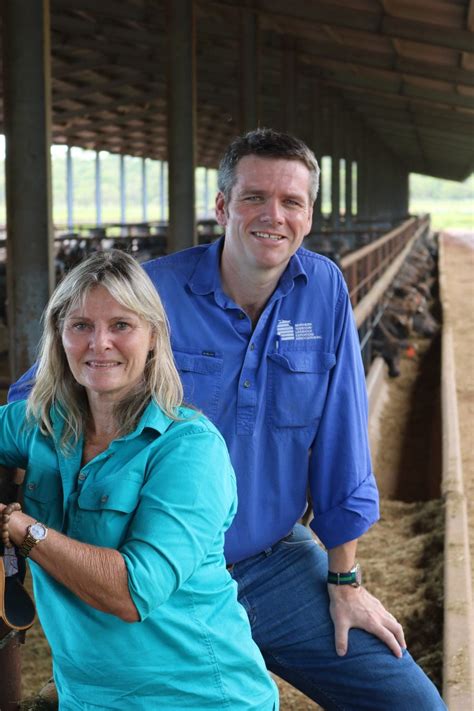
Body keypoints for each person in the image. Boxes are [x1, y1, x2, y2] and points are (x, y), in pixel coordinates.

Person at [10, 129, 446, 710]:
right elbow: (43, 394)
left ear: (309, 215)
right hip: (158, 574)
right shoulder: (151, 293)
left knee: (411, 703)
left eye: (291, 201)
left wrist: (345, 581)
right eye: (253, 198)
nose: (273, 215)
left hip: (276, 562)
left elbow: (342, 438)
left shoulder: (322, 289)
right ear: (221, 207)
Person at [0, 250, 278, 710]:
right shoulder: (42, 425)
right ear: (59, 337)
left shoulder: (188, 448)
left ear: (153, 337)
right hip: (88, 699)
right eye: (81, 325)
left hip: (200, 698)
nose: (99, 343)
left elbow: (134, 591)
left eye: (121, 326)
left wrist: (20, 528)